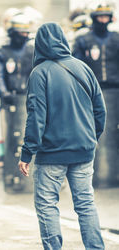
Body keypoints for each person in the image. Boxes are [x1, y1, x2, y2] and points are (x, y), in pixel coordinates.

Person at [18, 23, 106, 249]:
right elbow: (100, 111)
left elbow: (36, 116)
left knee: (47, 205)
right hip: (84, 150)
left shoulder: (40, 73)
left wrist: (27, 153)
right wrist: (90, 138)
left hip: (52, 153)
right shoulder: (83, 68)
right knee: (86, 204)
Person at [72, 4, 119, 187]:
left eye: (106, 17)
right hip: (94, 92)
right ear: (93, 18)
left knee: (114, 133)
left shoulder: (116, 39)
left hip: (115, 90)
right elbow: (77, 66)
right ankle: (95, 174)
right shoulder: (84, 40)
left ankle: (114, 173)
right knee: (95, 132)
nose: (103, 20)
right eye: (99, 17)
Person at [0, 13, 34, 191]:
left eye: (25, 33)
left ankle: (30, 179)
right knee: (11, 139)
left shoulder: (32, 50)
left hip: (29, 99)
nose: (23, 36)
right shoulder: (2, 50)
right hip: (10, 100)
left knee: (31, 137)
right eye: (19, 33)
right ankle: (11, 177)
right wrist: (4, 91)